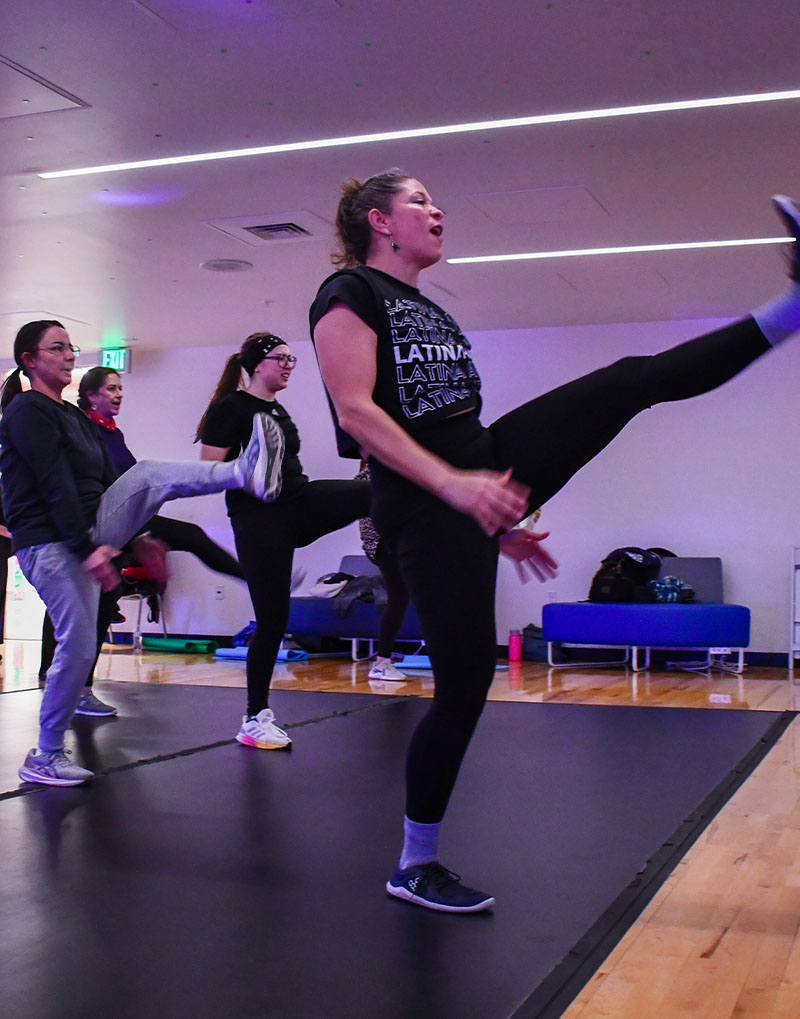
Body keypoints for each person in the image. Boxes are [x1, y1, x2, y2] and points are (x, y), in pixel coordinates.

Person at [310, 170, 800, 913]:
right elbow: (356, 414)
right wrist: (455, 489)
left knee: (625, 382)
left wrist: (493, 515)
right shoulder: (349, 294)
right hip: (424, 500)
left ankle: (795, 305)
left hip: (476, 473)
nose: (438, 208)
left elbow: (447, 426)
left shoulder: (429, 309)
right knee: (467, 684)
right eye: (419, 200)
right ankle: (414, 863)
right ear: (379, 220)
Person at [0, 320, 285, 787]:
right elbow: (55, 485)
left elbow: (114, 487)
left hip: (88, 529)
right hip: (50, 542)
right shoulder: (28, 412)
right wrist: (88, 548)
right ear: (29, 361)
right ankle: (44, 755)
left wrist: (138, 534)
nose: (70, 354)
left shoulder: (75, 417)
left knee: (149, 477)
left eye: (71, 347)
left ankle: (245, 472)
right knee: (76, 646)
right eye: (57, 348)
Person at [36, 366, 249, 715]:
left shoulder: (113, 435)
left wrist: (145, 534)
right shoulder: (83, 430)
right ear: (91, 396)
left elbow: (131, 488)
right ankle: (57, 678)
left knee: (182, 542)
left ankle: (256, 580)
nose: (119, 395)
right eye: (111, 389)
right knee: (87, 600)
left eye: (121, 389)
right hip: (95, 525)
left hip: (125, 525)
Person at [196, 332, 371, 751]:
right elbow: (206, 470)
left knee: (373, 491)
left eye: (293, 359)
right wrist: (251, 469)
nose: (289, 365)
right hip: (259, 519)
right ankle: (254, 719)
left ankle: (422, 548)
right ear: (258, 364)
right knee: (274, 619)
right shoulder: (232, 407)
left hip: (299, 503)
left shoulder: (276, 408)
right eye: (282, 358)